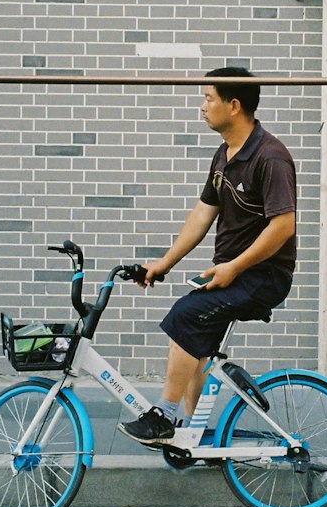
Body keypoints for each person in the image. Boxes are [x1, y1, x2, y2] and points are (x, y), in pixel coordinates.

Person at [121, 66, 297, 445]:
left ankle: (163, 417)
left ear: (233, 106)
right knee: (193, 337)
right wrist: (164, 263)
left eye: (208, 98)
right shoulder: (225, 154)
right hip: (233, 273)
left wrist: (233, 267)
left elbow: (283, 226)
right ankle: (190, 431)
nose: (202, 106)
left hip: (263, 275)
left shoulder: (271, 157)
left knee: (185, 315)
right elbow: (203, 213)